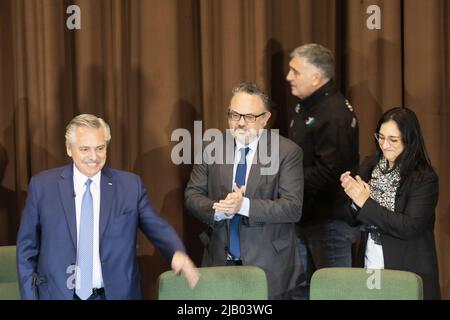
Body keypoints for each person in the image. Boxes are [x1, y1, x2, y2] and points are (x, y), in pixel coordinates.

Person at [16, 114, 199, 300]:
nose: (94, 157)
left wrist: (176, 251)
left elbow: (155, 225)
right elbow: (26, 250)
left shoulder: (129, 186)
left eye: (100, 148)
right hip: (57, 294)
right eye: (85, 149)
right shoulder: (43, 186)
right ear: (69, 148)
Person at [184, 82, 304, 299]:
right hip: (219, 264)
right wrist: (219, 209)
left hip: (270, 269)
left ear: (266, 118)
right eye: (234, 115)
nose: (240, 123)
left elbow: (292, 208)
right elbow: (192, 196)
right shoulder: (211, 147)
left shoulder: (287, 152)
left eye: (249, 117)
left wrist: (244, 205)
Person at [340, 107, 440, 300]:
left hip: (407, 266)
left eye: (393, 139)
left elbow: (409, 227)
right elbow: (352, 218)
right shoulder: (370, 165)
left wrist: (364, 202)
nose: (385, 145)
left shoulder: (423, 178)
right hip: (370, 260)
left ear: (409, 140)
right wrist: (352, 197)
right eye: (381, 137)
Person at [286, 43, 360, 298]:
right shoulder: (304, 105)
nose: (288, 77)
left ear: (316, 76)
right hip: (303, 216)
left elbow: (329, 173)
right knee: (298, 291)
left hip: (330, 223)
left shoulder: (335, 114)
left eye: (295, 71)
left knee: (334, 293)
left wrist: (284, 181)